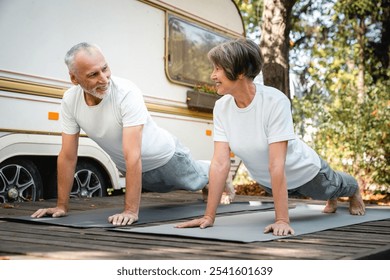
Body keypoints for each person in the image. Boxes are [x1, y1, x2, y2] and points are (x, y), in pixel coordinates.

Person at [176, 38, 366, 236]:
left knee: (333, 187)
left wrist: (282, 220)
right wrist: (209, 216)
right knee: (323, 193)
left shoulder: (274, 101)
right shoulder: (222, 107)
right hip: (269, 183)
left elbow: (277, 164)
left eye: (217, 69)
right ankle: (332, 196)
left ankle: (353, 191)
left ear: (240, 72)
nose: (212, 75)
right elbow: (219, 163)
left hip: (305, 173)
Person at [31, 42, 233, 226]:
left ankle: (216, 172)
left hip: (167, 158)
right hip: (136, 170)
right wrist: (61, 206)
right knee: (167, 190)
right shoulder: (70, 101)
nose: (104, 79)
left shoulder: (126, 92)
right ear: (74, 78)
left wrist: (130, 211)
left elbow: (133, 154)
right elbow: (67, 156)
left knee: (196, 181)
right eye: (93, 75)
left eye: (105, 69)